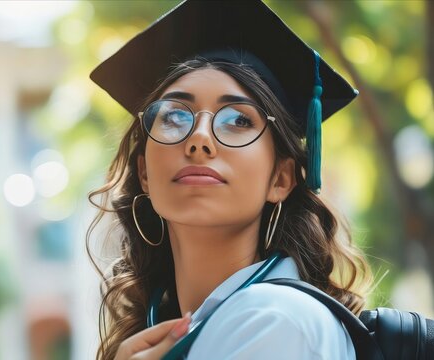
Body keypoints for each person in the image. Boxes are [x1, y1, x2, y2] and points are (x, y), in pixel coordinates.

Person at [87, 1, 374, 359]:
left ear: (280, 179)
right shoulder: (197, 325)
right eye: (175, 115)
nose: (199, 139)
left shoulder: (274, 320)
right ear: (144, 172)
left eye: (238, 120)